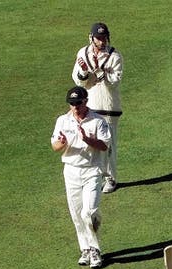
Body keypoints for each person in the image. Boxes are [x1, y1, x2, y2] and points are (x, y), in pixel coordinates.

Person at [51, 86, 111, 268]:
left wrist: (86, 139)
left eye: (78, 103)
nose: (75, 107)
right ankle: (85, 249)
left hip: (91, 170)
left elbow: (104, 146)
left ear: (86, 101)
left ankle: (95, 249)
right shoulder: (63, 121)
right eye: (72, 104)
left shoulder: (98, 121)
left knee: (89, 212)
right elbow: (54, 146)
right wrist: (61, 144)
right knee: (77, 214)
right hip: (70, 170)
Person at [72, 22, 123, 193]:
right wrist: (85, 72)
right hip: (90, 107)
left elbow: (114, 83)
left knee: (107, 145)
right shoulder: (82, 53)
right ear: (91, 38)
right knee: (89, 144)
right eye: (99, 38)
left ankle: (111, 179)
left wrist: (100, 73)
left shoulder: (115, 56)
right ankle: (91, 177)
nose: (102, 42)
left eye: (104, 38)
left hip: (109, 108)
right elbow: (78, 81)